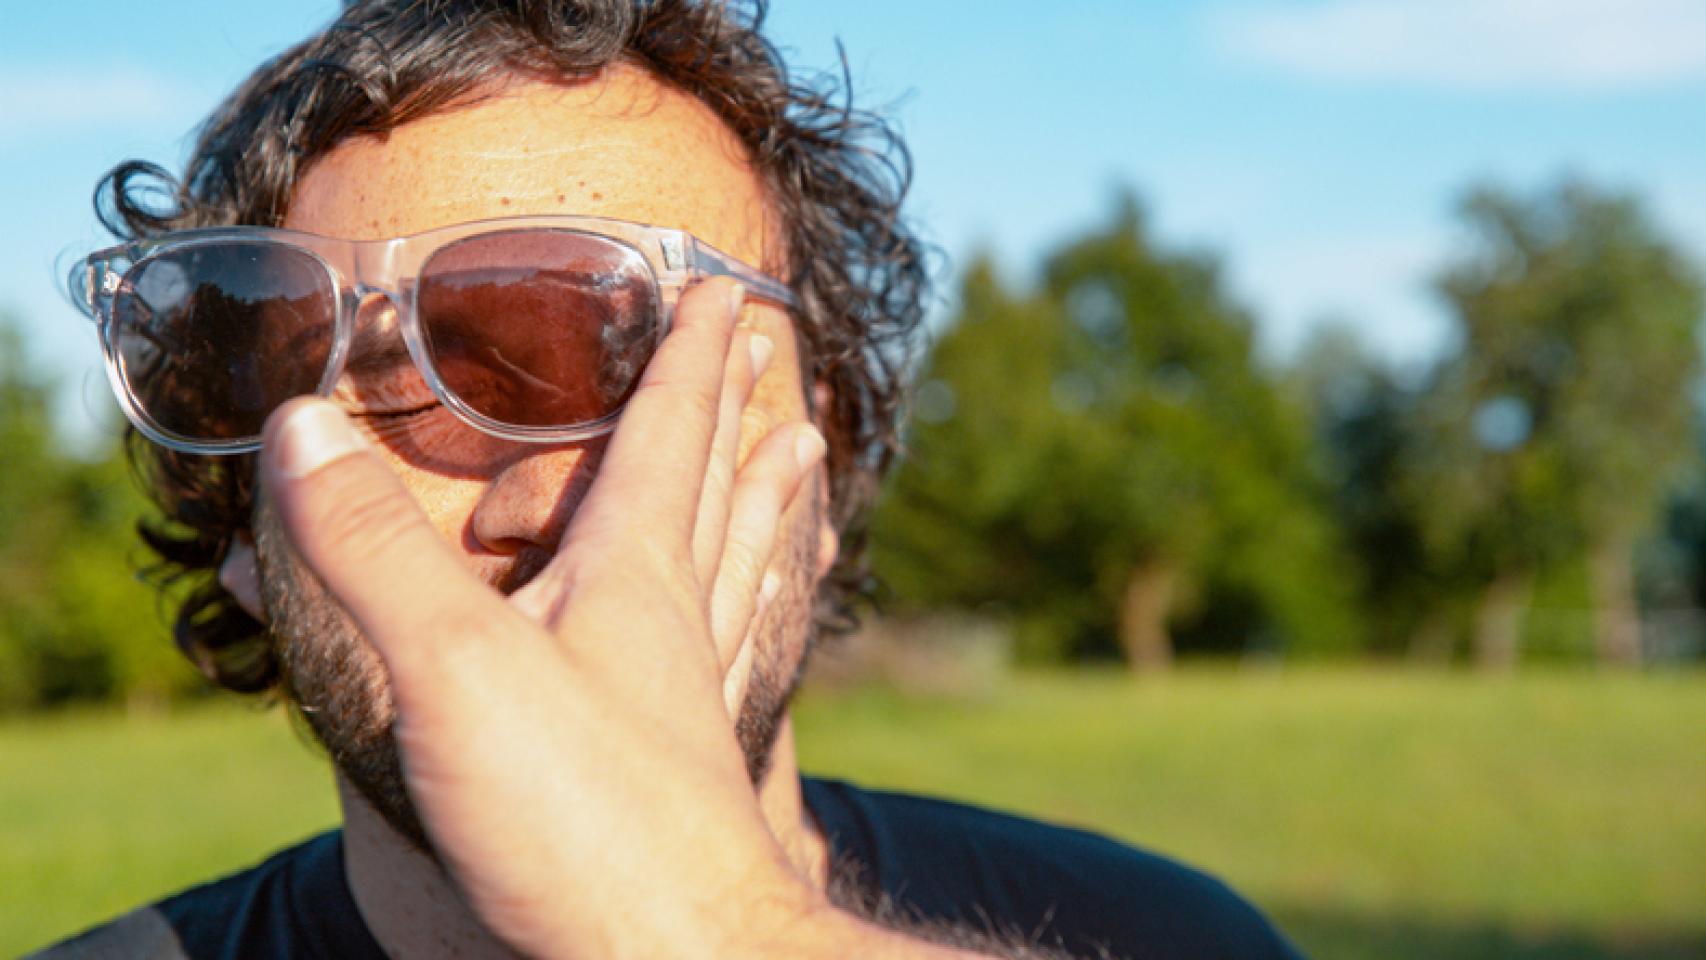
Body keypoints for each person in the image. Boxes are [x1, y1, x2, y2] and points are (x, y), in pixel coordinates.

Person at [39, 2, 1303, 958]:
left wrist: (696, 921)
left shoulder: (1159, 935)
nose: (546, 506)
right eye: (394, 390)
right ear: (247, 533)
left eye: (635, 365)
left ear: (823, 468)